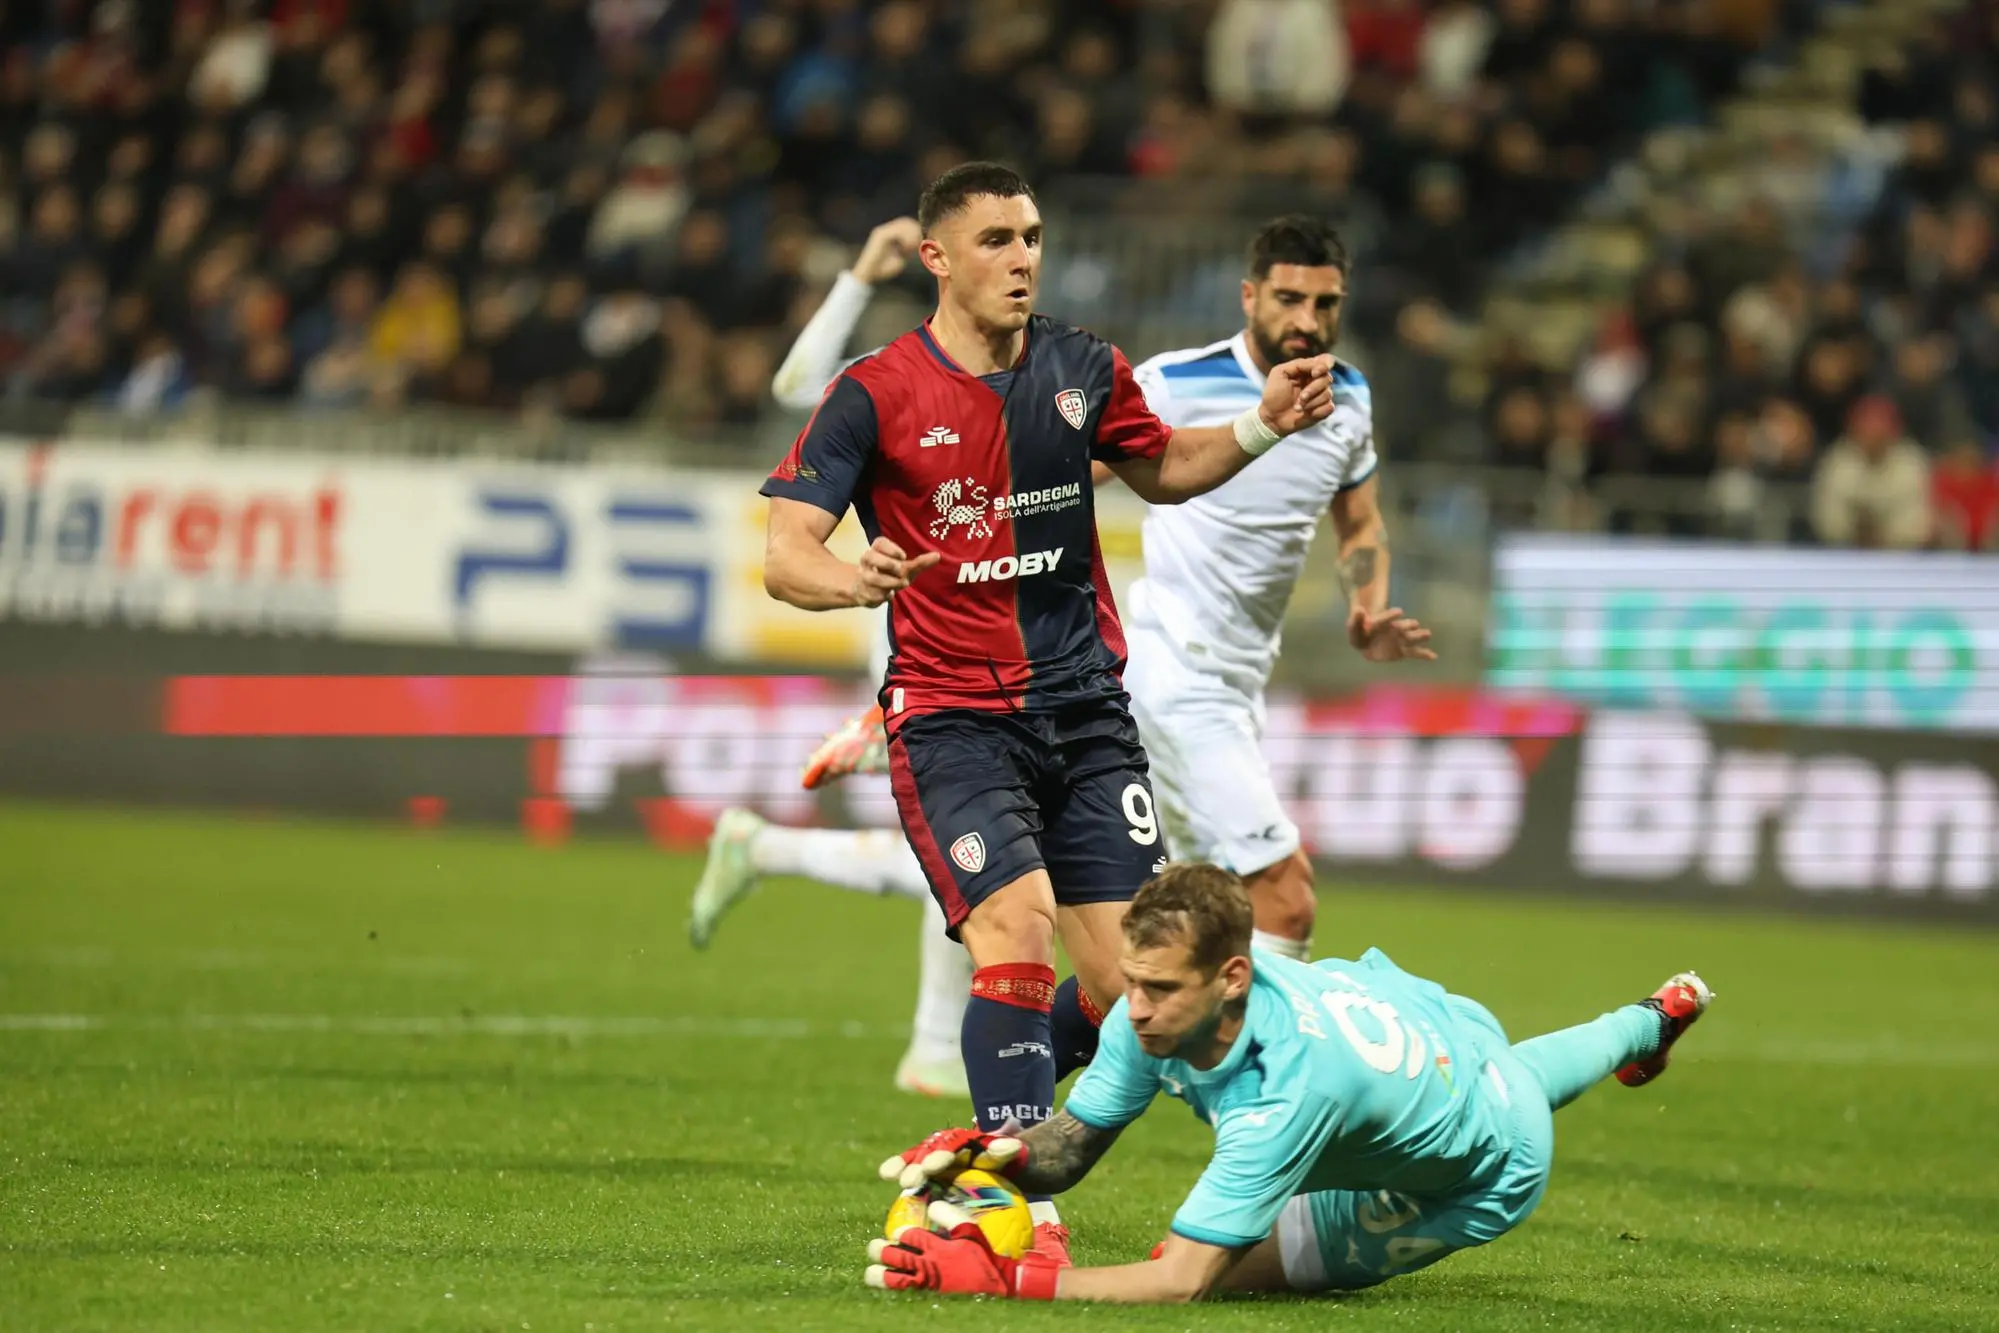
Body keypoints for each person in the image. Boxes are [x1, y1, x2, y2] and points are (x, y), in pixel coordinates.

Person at [759, 161, 1336, 1257]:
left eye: (1030, 236)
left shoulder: (1081, 366)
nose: (1022, 256)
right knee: (1014, 935)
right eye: (994, 240)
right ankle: (1016, 1196)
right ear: (936, 258)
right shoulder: (876, 391)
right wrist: (857, 578)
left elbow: (1161, 468)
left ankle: (980, 1147)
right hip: (951, 717)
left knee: (1132, 990)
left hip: (1084, 712)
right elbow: (788, 553)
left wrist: (1259, 428)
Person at [868, 863, 1713, 1303]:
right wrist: (989, 1157)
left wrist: (1007, 1281)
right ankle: (1648, 1019)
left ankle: (1642, 1023)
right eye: (1131, 981)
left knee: (1199, 1262)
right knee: (1522, 1070)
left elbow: (1178, 1281)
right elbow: (1076, 1142)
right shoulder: (1144, 1012)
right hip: (1444, 1031)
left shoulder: (1285, 1095)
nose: (1136, 1009)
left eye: (1161, 989)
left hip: (1482, 1169)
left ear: (1233, 976)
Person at [689, 217, 974, 1101]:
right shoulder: (882, 387)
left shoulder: (1023, 379)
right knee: (976, 851)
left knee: (978, 852)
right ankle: (933, 1048)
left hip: (1001, 646)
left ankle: (764, 847)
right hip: (919, 644)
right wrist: (855, 277)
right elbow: (791, 385)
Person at [1124, 215, 1434, 962]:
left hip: (1237, 681)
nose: (1307, 320)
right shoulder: (1172, 383)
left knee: (1193, 908)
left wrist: (1366, 607)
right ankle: (1268, 1076)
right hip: (1171, 665)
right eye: (1288, 298)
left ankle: (1151, 1054)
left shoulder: (1348, 399)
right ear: (1247, 296)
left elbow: (1360, 525)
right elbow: (1065, 480)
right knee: (1284, 901)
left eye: (1324, 303)